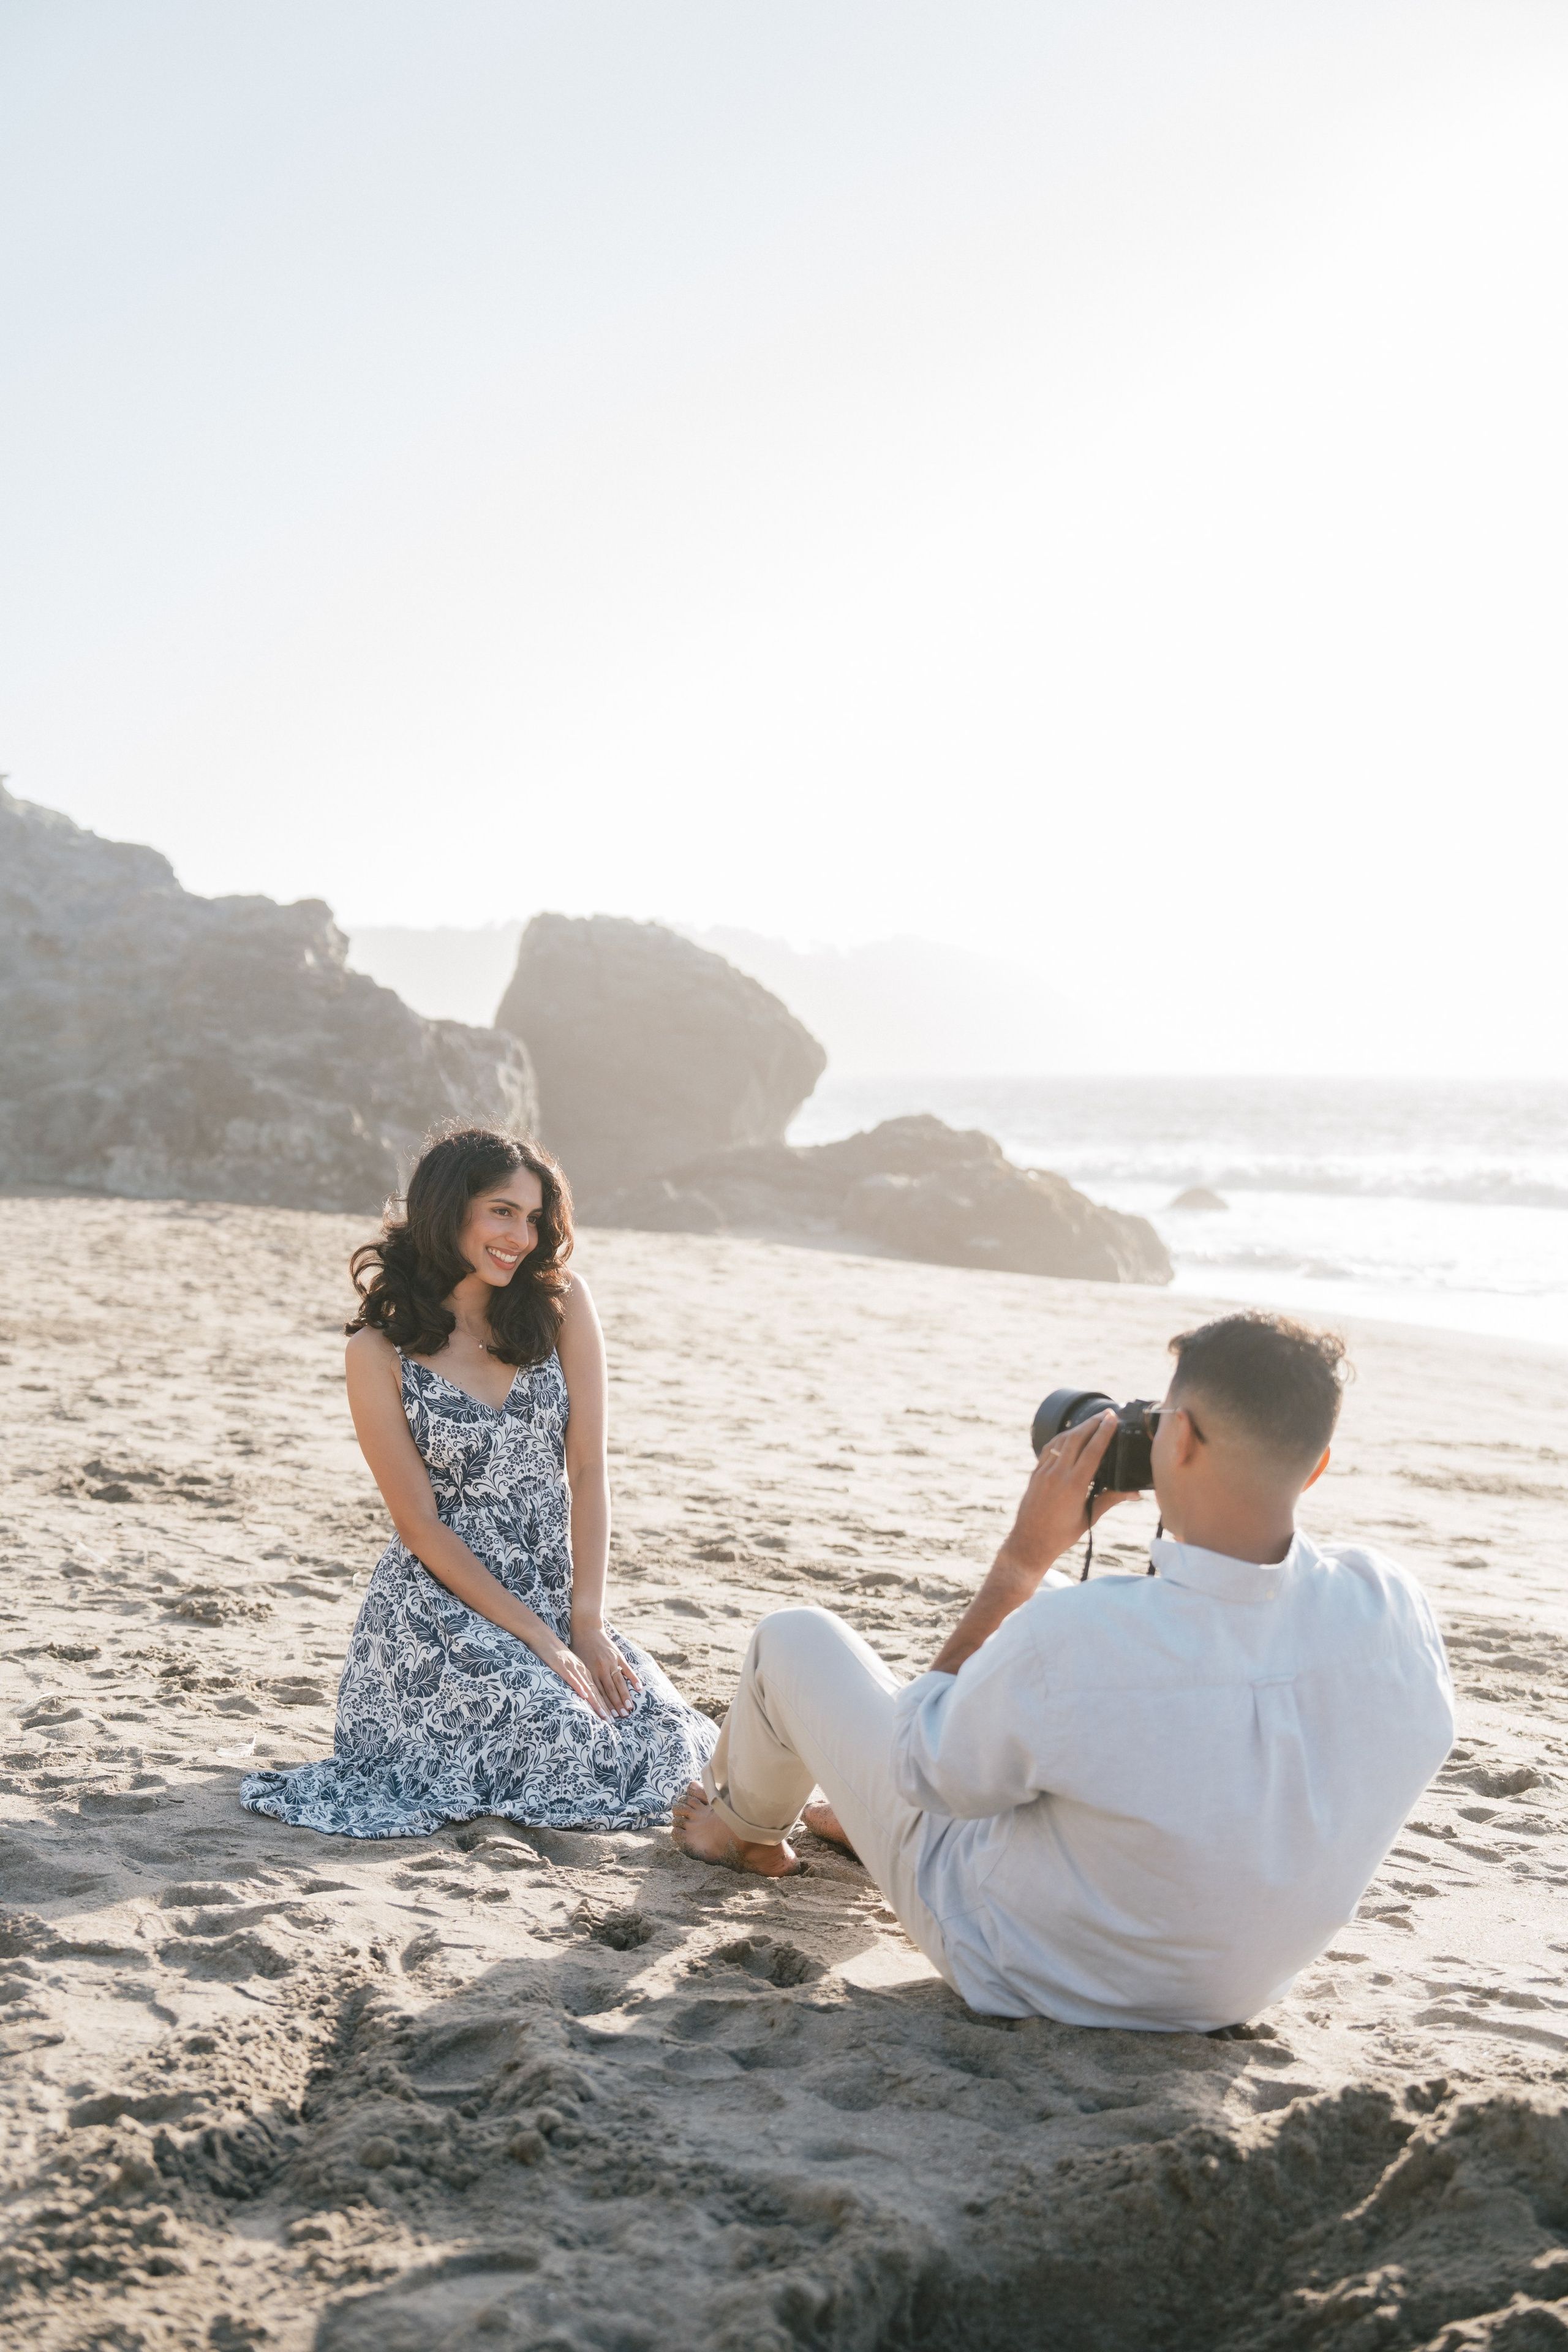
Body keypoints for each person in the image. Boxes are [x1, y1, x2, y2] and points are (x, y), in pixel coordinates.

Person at [673, 1311, 1454, 2032]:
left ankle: (742, 1834)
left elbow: (920, 1764)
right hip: (1231, 1991)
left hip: (1026, 1965)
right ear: (1315, 1467)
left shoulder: (1076, 1640)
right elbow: (1211, 1711)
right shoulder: (1392, 1606)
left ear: (1173, 1442)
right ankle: (855, 1817)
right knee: (1041, 1648)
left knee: (795, 1636)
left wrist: (1021, 1560)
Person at [242, 1126, 718, 1839]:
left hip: (551, 1594)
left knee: (666, 1739)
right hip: (436, 1612)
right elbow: (419, 1525)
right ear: (449, 1208)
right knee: (570, 1738)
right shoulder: (378, 1352)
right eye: (502, 1211)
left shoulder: (560, 1307)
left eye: (532, 1219)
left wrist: (582, 1622)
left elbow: (588, 1468)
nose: (521, 1237)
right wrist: (541, 1641)